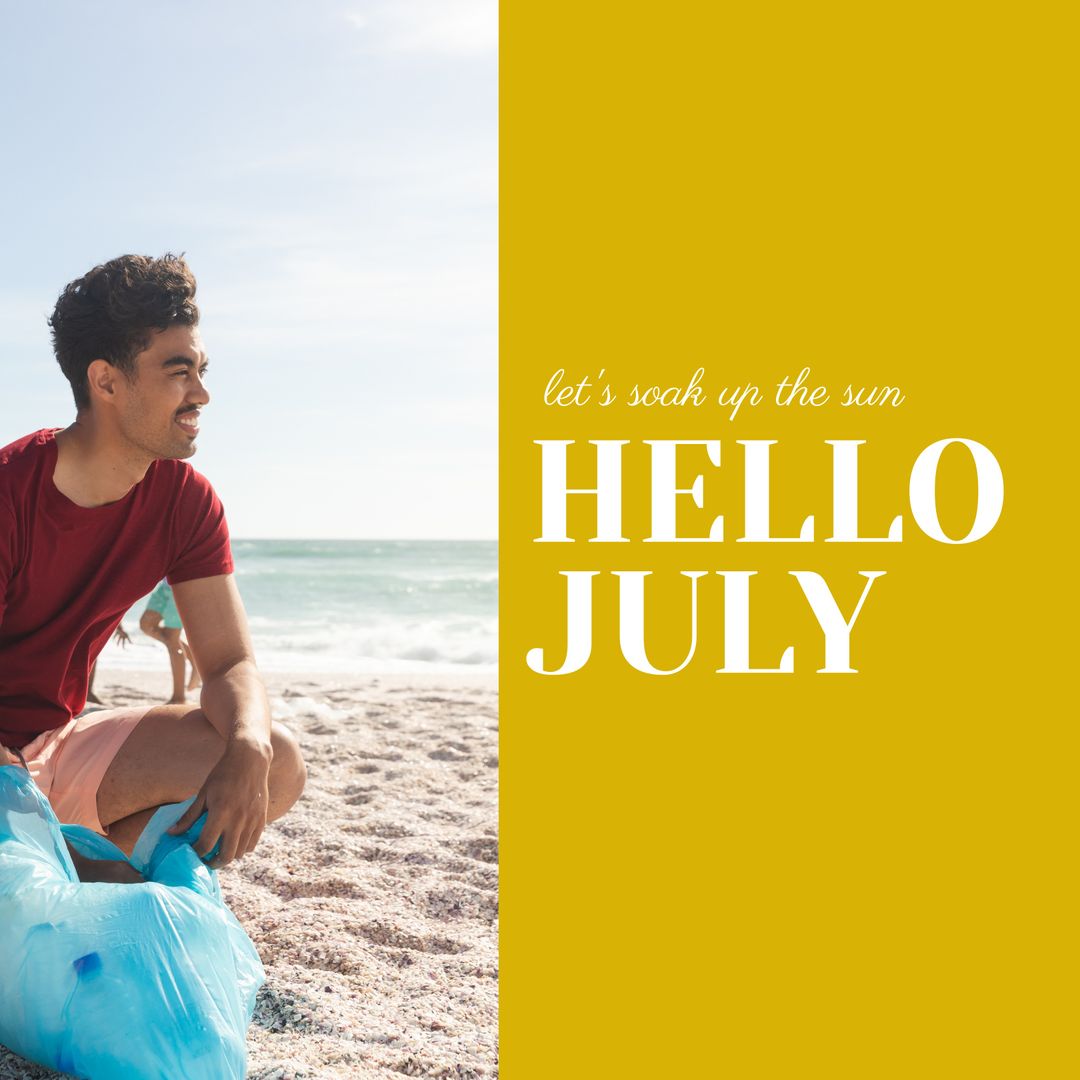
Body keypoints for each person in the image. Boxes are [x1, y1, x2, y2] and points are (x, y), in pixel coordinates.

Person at [0, 254, 305, 884]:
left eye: (200, 369)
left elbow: (227, 664)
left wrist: (248, 742)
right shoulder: (10, 493)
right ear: (106, 382)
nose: (201, 393)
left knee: (276, 760)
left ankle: (83, 864)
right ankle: (74, 866)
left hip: (56, 746)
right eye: (178, 371)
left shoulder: (186, 500)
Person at [140, 580, 202, 704]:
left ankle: (179, 698)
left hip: (182, 585)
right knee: (146, 625)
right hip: (165, 587)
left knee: (172, 640)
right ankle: (194, 659)